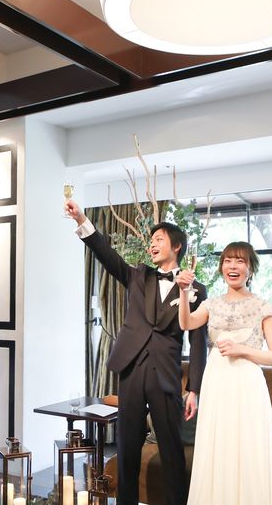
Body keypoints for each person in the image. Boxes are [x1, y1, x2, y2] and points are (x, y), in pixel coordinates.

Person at [65, 199, 207, 505]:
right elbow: (107, 255)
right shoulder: (139, 276)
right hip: (131, 369)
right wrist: (82, 221)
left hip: (166, 375)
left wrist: (194, 389)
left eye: (159, 239)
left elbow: (198, 342)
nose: (152, 244)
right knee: (127, 448)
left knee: (171, 450)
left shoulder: (196, 288)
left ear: (176, 246)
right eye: (151, 240)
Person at [177, 241, 272, 505]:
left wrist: (242, 349)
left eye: (240, 261)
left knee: (248, 447)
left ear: (251, 269)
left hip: (247, 386)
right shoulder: (212, 304)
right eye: (227, 260)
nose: (233, 266)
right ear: (221, 268)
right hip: (216, 383)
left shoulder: (263, 307)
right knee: (217, 447)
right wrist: (183, 292)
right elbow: (186, 323)